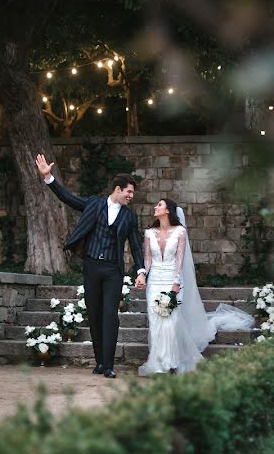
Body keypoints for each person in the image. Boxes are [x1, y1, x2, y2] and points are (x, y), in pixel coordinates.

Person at [35, 154, 146, 379]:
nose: (131, 196)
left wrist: (141, 270)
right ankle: (99, 362)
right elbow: (69, 198)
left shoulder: (129, 217)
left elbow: (135, 246)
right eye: (129, 192)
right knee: (94, 315)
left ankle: (109, 365)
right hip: (92, 267)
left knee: (110, 316)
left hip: (113, 271)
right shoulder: (95, 204)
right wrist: (48, 177)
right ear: (118, 189)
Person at [139, 198, 255, 376]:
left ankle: (171, 362)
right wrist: (142, 275)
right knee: (156, 321)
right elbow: (148, 259)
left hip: (172, 280)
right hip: (154, 281)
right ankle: (157, 363)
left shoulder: (180, 232)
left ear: (168, 210)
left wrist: (176, 283)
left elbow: (179, 260)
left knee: (170, 321)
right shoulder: (149, 233)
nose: (155, 207)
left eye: (159, 205)